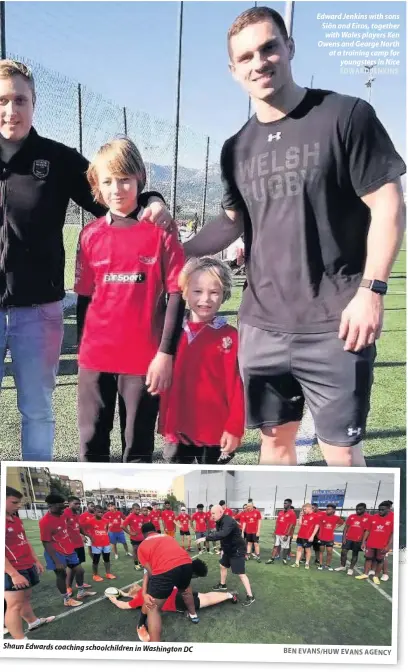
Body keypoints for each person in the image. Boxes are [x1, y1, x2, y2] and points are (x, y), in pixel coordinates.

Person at [181, 6, 406, 467]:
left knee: (341, 452)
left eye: (269, 48)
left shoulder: (346, 115)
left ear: (289, 48)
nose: (259, 62)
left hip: (336, 323)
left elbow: (389, 203)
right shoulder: (235, 148)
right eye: (245, 57)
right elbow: (230, 222)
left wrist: (372, 291)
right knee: (274, 446)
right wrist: (171, 251)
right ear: (233, 70)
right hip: (262, 325)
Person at [0, 59, 170, 461]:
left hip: (38, 313)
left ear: (34, 103)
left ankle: (32, 491)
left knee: (38, 411)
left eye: (20, 100)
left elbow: (113, 194)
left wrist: (153, 200)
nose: (11, 110)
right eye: (2, 100)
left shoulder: (56, 160)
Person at [75, 136, 185, 462]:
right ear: (97, 184)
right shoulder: (90, 234)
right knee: (91, 443)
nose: (117, 189)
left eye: (125, 179)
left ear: (140, 179)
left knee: (137, 448)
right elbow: (84, 299)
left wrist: (165, 354)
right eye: (108, 181)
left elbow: (178, 294)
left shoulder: (162, 230)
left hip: (144, 359)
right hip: (97, 357)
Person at [159, 257, 245, 464]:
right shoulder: (169, 336)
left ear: (224, 294)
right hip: (177, 429)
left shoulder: (231, 337)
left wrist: (234, 428)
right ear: (185, 292)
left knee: (213, 485)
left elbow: (237, 387)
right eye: (197, 291)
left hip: (215, 432)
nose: (205, 299)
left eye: (214, 292)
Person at [107, 559, 237, 643]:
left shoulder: (141, 599)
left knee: (206, 598)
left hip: (177, 601)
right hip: (179, 594)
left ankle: (229, 596)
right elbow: (130, 597)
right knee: (205, 596)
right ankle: (228, 595)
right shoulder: (148, 590)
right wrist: (122, 594)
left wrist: (114, 600)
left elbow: (124, 605)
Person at [5, 486, 55, 639]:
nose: (18, 505)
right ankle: (20, 641)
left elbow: (25, 542)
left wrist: (36, 561)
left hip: (26, 565)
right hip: (12, 568)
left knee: (25, 598)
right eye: (14, 502)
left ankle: (33, 622)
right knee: (14, 605)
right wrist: (13, 574)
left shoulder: (16, 519)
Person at [137, 522, 199, 642]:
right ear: (155, 530)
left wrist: (146, 592)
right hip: (186, 563)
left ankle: (156, 646)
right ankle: (193, 615)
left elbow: (150, 573)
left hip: (165, 570)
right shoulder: (167, 536)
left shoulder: (142, 545)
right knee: (185, 590)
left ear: (144, 534)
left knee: (153, 608)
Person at [39, 494, 95, 607]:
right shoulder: (45, 521)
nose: (63, 509)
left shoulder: (63, 515)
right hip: (57, 552)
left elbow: (75, 525)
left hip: (69, 549)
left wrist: (84, 535)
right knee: (61, 575)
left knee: (80, 571)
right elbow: (46, 542)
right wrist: (56, 560)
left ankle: (81, 592)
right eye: (60, 507)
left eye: (64, 507)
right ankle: (66, 599)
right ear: (51, 506)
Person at [205, 504, 254, 606]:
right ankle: (222, 585)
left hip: (237, 549)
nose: (212, 516)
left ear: (221, 512)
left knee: (241, 574)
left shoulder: (228, 521)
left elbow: (222, 534)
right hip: (228, 549)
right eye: (211, 513)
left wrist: (206, 538)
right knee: (222, 566)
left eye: (213, 513)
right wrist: (222, 549)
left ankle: (250, 596)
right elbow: (224, 537)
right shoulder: (219, 521)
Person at [356, 501, 394, 585]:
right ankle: (365, 574)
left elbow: (392, 534)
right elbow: (367, 530)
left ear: (388, 509)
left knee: (380, 561)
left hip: (382, 545)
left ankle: (376, 576)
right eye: (379, 509)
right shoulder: (373, 517)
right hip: (371, 543)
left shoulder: (393, 518)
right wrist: (363, 542)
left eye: (382, 510)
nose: (380, 511)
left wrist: (388, 545)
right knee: (368, 558)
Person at [62, 496, 92, 592]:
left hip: (78, 544)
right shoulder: (65, 513)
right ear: (69, 503)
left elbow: (79, 527)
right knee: (71, 567)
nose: (78, 505)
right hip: (70, 546)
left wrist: (86, 535)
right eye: (75, 503)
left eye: (79, 503)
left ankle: (79, 583)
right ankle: (68, 587)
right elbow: (62, 529)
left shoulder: (76, 514)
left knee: (77, 565)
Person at [335, 503, 372, 576]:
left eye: (360, 509)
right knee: (343, 552)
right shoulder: (352, 516)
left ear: (365, 509)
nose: (358, 511)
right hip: (348, 538)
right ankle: (342, 566)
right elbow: (346, 527)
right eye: (357, 509)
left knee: (355, 554)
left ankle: (351, 569)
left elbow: (367, 530)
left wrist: (363, 541)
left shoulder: (368, 518)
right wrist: (344, 538)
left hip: (358, 540)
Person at [88, 505, 117, 582]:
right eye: (98, 512)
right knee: (96, 560)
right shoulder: (90, 521)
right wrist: (89, 537)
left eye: (102, 512)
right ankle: (95, 575)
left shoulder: (106, 521)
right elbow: (85, 530)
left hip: (106, 543)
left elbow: (106, 530)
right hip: (96, 544)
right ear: (94, 512)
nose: (100, 514)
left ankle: (108, 573)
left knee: (107, 559)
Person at [266, 498, 297, 565]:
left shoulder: (292, 513)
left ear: (290, 504)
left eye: (286, 503)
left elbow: (292, 525)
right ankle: (272, 558)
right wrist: (275, 531)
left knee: (285, 547)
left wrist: (287, 534)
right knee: (275, 546)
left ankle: (284, 559)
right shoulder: (280, 512)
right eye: (284, 503)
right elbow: (277, 523)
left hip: (285, 534)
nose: (284, 504)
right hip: (278, 533)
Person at [291, 504, 321, 569]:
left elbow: (317, 527)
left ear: (309, 508)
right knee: (299, 549)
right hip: (300, 535)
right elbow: (300, 524)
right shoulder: (304, 515)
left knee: (307, 550)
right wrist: (300, 516)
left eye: (305, 509)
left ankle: (307, 563)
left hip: (308, 536)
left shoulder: (316, 516)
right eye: (303, 509)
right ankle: (297, 563)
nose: (304, 510)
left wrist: (312, 536)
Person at [316, 504, 344, 571]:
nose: (327, 510)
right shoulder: (322, 516)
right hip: (321, 537)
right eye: (327, 509)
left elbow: (341, 522)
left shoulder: (336, 518)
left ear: (333, 510)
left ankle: (327, 565)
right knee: (321, 551)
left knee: (329, 552)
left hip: (330, 538)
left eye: (329, 509)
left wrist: (335, 527)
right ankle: (320, 564)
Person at [122, 504, 145, 571]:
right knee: (135, 551)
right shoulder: (130, 517)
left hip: (142, 538)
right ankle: (136, 564)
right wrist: (130, 532)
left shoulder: (141, 516)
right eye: (136, 509)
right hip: (134, 538)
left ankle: (140, 563)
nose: (138, 511)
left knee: (141, 551)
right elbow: (123, 526)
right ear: (132, 509)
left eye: (138, 509)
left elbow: (142, 526)